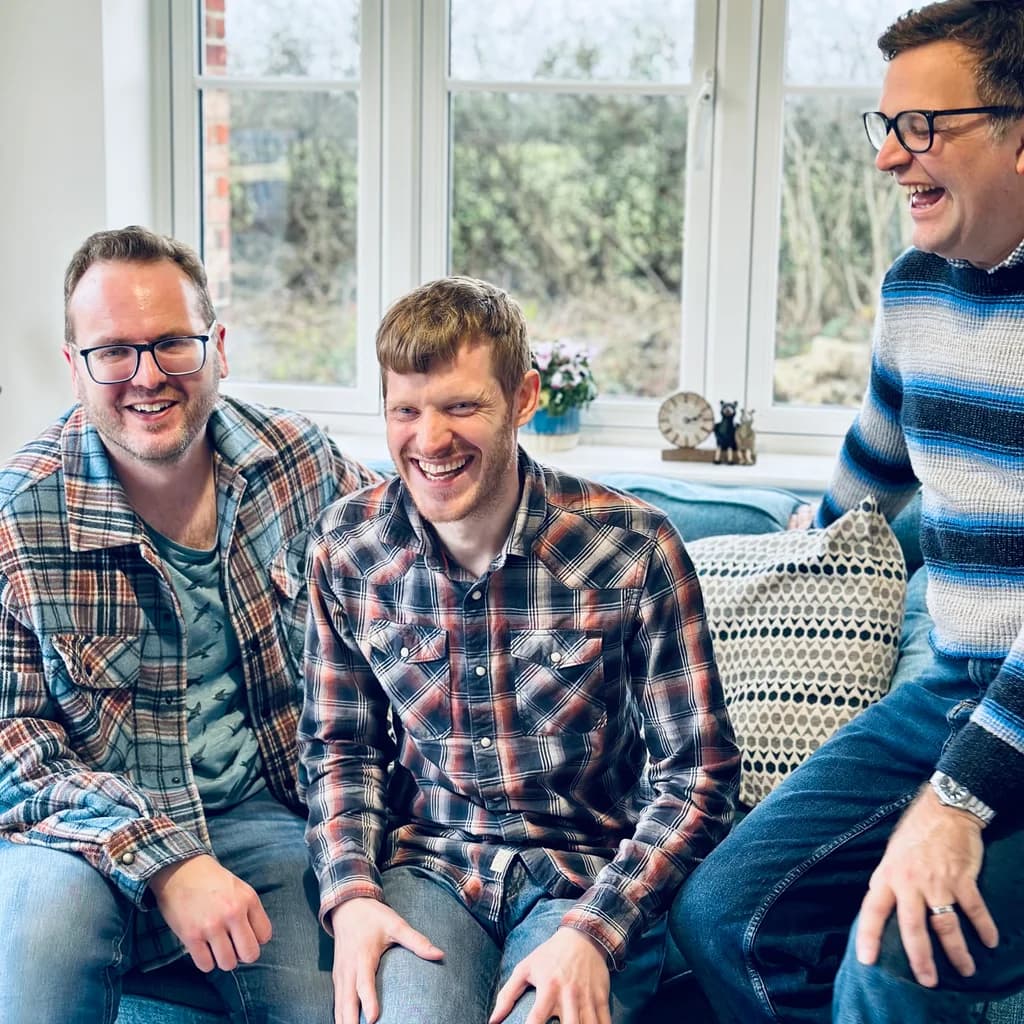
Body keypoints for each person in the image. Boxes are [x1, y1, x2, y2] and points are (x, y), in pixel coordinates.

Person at [669, 2, 1024, 1021]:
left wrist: (952, 801)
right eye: (886, 128)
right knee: (722, 913)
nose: (889, 159)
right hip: (959, 684)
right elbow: (877, 461)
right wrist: (807, 542)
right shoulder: (913, 290)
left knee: (892, 948)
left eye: (924, 127)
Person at [299, 275, 739, 1024]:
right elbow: (340, 748)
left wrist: (598, 932)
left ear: (525, 398)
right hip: (428, 868)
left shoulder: (633, 548)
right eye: (406, 410)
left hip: (588, 875)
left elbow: (698, 777)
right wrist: (350, 894)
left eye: (462, 406)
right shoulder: (347, 548)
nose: (430, 440)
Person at [0, 225, 378, 1023]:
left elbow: (423, 537)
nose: (146, 376)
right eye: (113, 352)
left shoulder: (299, 461)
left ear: (219, 349)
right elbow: (13, 749)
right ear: (75, 366)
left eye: (173, 343)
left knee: (344, 1005)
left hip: (264, 821)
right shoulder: (17, 516)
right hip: (80, 836)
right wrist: (167, 864)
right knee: (42, 942)